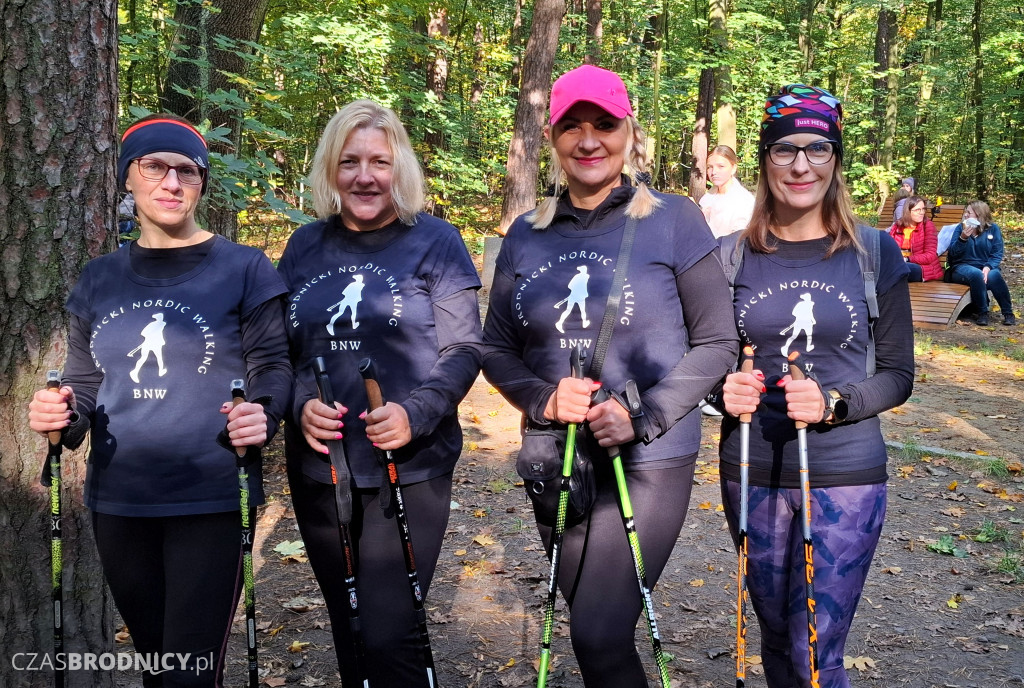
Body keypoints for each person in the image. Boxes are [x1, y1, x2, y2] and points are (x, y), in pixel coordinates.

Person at [482, 64, 739, 687]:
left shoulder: (673, 219)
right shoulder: (527, 233)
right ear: (553, 137)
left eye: (604, 124)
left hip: (649, 457)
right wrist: (544, 399)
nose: (588, 139)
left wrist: (645, 415)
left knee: (595, 631)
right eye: (573, 125)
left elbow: (718, 341)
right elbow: (494, 348)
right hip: (557, 455)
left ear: (629, 133)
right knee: (597, 631)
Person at [27, 114, 292, 687]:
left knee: (190, 674)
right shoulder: (99, 279)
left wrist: (262, 414)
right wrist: (61, 414)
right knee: (156, 666)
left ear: (201, 184)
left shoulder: (244, 267)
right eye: (155, 167)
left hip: (214, 496)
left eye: (187, 172)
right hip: (121, 501)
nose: (171, 182)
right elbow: (86, 383)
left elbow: (272, 365)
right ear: (129, 177)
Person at [278, 99, 482, 687]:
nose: (364, 176)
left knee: (391, 631)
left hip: (408, 465)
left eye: (379, 162)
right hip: (323, 469)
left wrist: (415, 414)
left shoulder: (436, 241)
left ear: (401, 170)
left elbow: (465, 348)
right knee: (350, 625)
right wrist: (298, 406)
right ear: (329, 170)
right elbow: (277, 355)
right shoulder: (303, 247)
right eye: (349, 162)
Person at [717, 84, 914, 688]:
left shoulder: (873, 251)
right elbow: (711, 364)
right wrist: (721, 392)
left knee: (814, 651)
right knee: (776, 638)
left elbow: (898, 375)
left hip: (847, 474)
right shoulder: (728, 257)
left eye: (817, 149)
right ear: (764, 160)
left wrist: (834, 403)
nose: (801, 165)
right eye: (784, 150)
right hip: (750, 469)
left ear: (836, 159)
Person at [947, 200, 1016, 326]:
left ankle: (1008, 313)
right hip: (961, 267)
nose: (966, 215)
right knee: (976, 274)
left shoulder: (992, 229)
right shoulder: (960, 228)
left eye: (969, 212)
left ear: (979, 215)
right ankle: (982, 312)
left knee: (994, 275)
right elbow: (953, 254)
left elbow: (997, 253)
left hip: (985, 265)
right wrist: (963, 238)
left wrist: (988, 266)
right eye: (966, 212)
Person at [699, 144, 755, 238]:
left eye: (721, 166)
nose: (714, 172)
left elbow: (737, 240)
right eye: (710, 167)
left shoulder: (743, 201)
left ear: (733, 168)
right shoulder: (707, 197)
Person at [887, 195, 943, 282]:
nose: (922, 212)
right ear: (908, 211)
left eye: (923, 209)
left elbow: (930, 255)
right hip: (898, 263)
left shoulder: (928, 226)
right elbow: (888, 249)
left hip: (922, 268)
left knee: (901, 268)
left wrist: (907, 259)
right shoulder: (898, 226)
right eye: (918, 210)